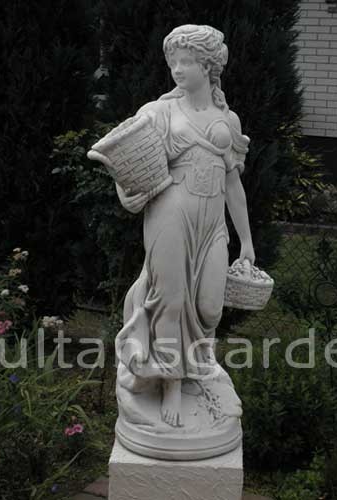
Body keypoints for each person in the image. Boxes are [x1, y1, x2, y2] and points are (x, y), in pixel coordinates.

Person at [114, 24, 255, 429]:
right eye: (173, 61)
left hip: (211, 223)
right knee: (171, 302)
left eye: (187, 61)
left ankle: (197, 372)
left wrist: (246, 241)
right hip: (170, 215)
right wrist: (127, 190)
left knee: (210, 307)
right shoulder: (158, 112)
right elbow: (126, 159)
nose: (177, 69)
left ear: (208, 66)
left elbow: (233, 185)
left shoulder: (227, 118)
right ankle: (172, 383)